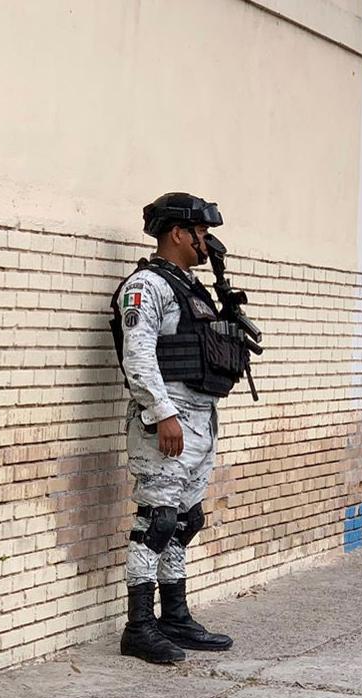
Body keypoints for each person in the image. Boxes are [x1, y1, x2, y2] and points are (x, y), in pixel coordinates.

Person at [108, 193, 254, 664]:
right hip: (168, 419)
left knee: (185, 522)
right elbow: (138, 354)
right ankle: (139, 627)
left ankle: (174, 615)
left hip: (201, 415)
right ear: (178, 233)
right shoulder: (146, 286)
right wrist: (162, 413)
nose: (207, 242)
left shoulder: (194, 288)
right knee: (157, 522)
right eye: (202, 234)